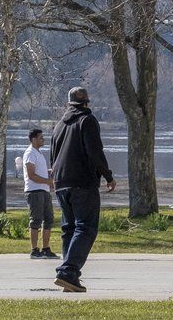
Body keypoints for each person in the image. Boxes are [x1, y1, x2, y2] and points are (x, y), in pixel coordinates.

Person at [50, 87, 116, 293]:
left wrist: (56, 179)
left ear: (70, 104)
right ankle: (68, 271)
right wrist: (108, 176)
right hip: (82, 182)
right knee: (86, 227)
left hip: (61, 182)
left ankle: (69, 277)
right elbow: (94, 151)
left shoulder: (59, 124)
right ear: (86, 103)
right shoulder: (87, 120)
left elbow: (53, 154)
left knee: (69, 229)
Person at [23, 129, 59, 259]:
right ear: (33, 139)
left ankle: (45, 248)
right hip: (34, 191)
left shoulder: (38, 153)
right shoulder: (30, 153)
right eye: (40, 138)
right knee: (36, 220)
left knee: (49, 219)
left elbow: (40, 172)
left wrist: (50, 173)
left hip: (44, 190)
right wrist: (49, 181)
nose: (43, 140)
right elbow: (31, 175)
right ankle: (34, 250)